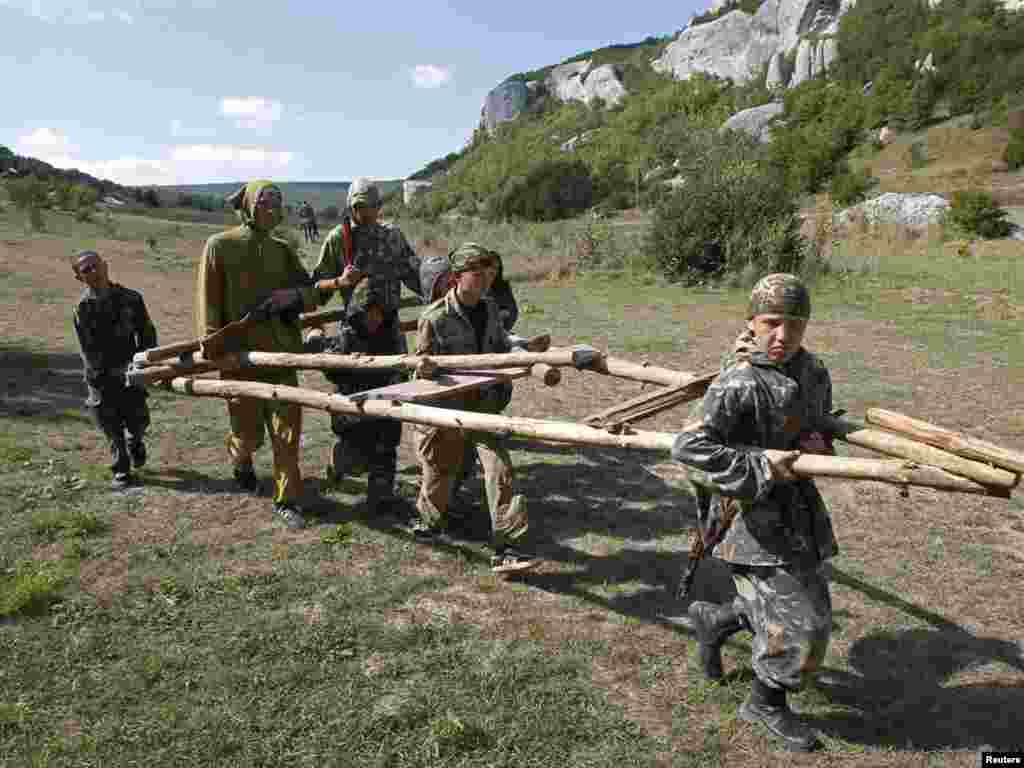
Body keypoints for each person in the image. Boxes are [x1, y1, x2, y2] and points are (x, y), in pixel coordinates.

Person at [672, 273, 837, 753]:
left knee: (783, 604)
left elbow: (819, 423)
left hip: (799, 510)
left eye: (795, 325)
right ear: (752, 322)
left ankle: (716, 620)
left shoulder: (814, 371)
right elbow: (689, 448)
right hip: (749, 518)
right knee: (810, 624)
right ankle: (765, 702)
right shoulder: (738, 382)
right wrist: (760, 464)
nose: (782, 335)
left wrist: (816, 442)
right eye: (771, 323)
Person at [195, 180, 320, 529]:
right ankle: (241, 459)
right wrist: (213, 345)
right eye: (265, 201)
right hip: (238, 357)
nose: (272, 208)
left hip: (281, 355)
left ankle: (287, 499)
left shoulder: (283, 249)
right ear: (249, 205)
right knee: (247, 434)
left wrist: (292, 298)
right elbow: (209, 299)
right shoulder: (219, 245)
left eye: (277, 202)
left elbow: (309, 294)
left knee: (287, 435)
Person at [413, 242, 540, 574]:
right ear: (457, 277)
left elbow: (499, 348)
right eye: (478, 274)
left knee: (500, 470)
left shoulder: (491, 310)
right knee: (441, 473)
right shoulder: (434, 318)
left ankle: (509, 547)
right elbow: (418, 373)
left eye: (490, 274)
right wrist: (425, 369)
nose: (486, 280)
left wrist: (522, 352)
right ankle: (429, 522)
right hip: (447, 409)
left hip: (484, 408)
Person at [306, 177, 422, 514]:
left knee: (391, 408)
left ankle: (381, 488)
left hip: (389, 334)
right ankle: (346, 458)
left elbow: (413, 273)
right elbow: (317, 288)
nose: (364, 213)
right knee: (353, 411)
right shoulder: (337, 240)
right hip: (354, 337)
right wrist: (339, 282)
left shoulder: (392, 235)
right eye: (358, 207)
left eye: (370, 206)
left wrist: (441, 292)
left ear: (379, 206)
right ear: (349, 206)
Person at [72, 249, 158, 490]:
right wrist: (105, 372)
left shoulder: (131, 298)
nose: (93, 271)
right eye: (85, 269)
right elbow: (87, 349)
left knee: (138, 419)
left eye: (95, 265)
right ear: (80, 278)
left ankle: (136, 441)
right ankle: (121, 467)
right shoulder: (82, 308)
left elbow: (147, 333)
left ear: (105, 265)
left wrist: (144, 361)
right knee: (110, 425)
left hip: (132, 371)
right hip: (101, 376)